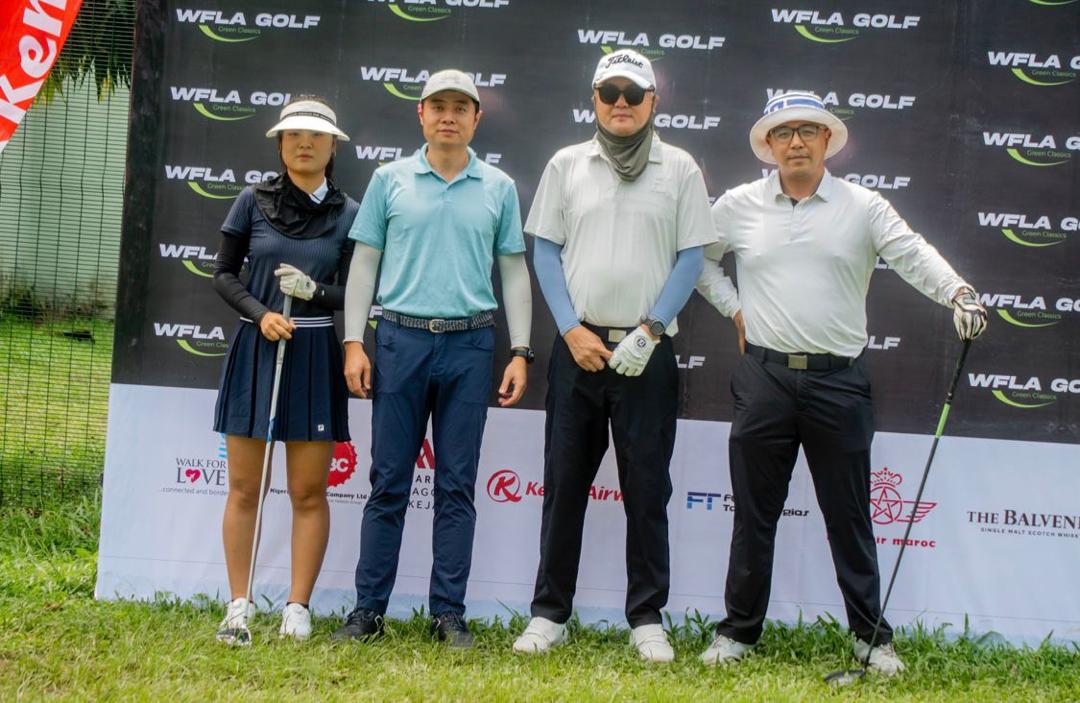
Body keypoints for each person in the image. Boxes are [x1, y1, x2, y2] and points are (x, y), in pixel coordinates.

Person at [694, 90, 988, 674]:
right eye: (784, 133)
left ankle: (870, 638)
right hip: (765, 378)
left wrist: (958, 292)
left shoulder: (863, 205)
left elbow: (911, 254)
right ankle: (738, 632)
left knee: (849, 518)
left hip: (839, 382)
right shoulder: (738, 205)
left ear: (827, 139)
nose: (796, 142)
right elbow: (698, 260)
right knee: (754, 515)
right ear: (768, 144)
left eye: (808, 130)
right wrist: (734, 307)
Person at [511, 50, 715, 663]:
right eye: (609, 93)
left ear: (654, 101)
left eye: (633, 92)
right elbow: (546, 252)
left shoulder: (680, 168)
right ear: (594, 100)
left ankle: (647, 617)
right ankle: (550, 613)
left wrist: (650, 330)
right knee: (564, 484)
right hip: (579, 348)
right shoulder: (566, 163)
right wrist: (570, 329)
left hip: (647, 352)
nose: (620, 103)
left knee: (647, 488)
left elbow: (692, 257)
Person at [332, 70, 532, 649]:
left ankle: (448, 613)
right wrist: (353, 341)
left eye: (460, 107)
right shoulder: (389, 180)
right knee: (389, 481)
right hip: (401, 341)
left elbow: (513, 271)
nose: (449, 116)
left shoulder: (498, 186)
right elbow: (364, 263)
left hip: (471, 345)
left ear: (476, 118)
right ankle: (367, 611)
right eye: (438, 106)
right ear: (420, 114)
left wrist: (520, 350)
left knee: (457, 486)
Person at [212, 97, 358, 643]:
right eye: (294, 134)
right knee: (244, 487)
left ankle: (298, 607)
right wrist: (261, 313)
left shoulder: (350, 213)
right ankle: (238, 605)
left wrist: (314, 290)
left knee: (308, 490)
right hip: (258, 347)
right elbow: (224, 274)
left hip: (314, 354)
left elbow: (360, 291)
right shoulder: (251, 202)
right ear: (280, 143)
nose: (304, 143)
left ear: (332, 146)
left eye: (316, 136)